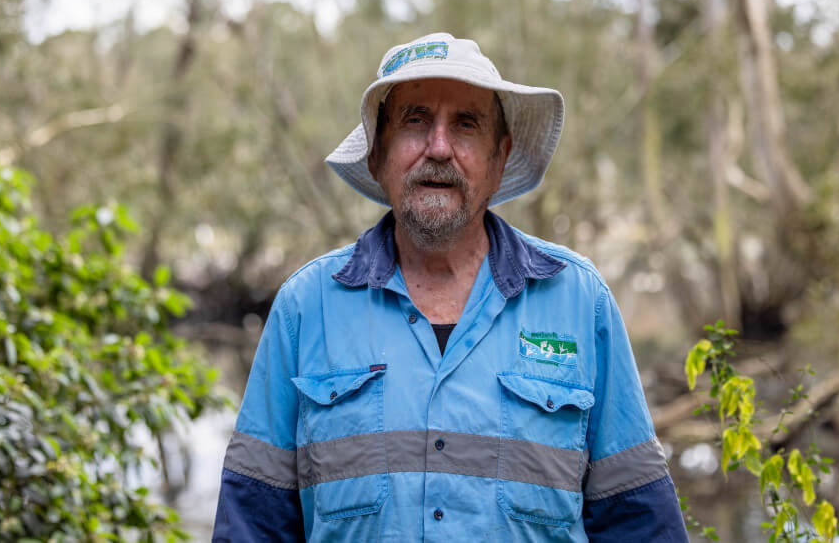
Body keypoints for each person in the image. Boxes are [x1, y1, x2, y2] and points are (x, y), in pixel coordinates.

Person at [212, 33, 688, 542]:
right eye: (415, 120)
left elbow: (642, 527)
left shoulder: (579, 301)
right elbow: (251, 527)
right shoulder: (305, 307)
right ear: (378, 155)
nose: (438, 147)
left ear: (499, 156)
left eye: (466, 124)